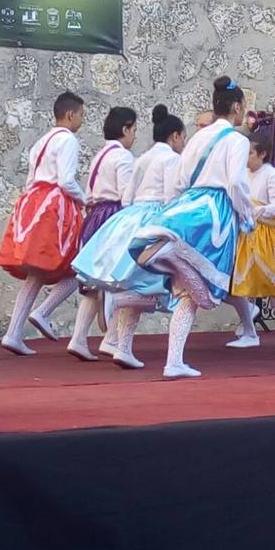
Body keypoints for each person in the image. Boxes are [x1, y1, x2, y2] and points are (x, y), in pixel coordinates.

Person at [132, 76, 253, 378]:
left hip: (190, 205)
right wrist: (247, 216)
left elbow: (179, 181)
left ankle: (174, 361)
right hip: (217, 212)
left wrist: (174, 211)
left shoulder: (198, 137)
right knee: (209, 292)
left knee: (188, 294)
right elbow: (236, 183)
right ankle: (170, 251)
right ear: (236, 107)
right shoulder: (237, 140)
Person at [73, 105, 186, 369]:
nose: (184, 142)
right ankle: (117, 318)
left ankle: (122, 345)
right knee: (152, 285)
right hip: (155, 218)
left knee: (138, 281)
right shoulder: (171, 159)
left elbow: (126, 198)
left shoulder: (143, 157)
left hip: (132, 217)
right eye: (183, 136)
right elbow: (171, 197)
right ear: (175, 136)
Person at [30, 107, 136, 361]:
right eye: (133, 130)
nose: (134, 135)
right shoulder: (123, 157)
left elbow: (90, 190)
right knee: (122, 280)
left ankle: (79, 338)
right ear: (125, 129)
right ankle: (112, 338)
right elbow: (127, 197)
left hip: (94, 217)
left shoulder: (101, 154)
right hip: (112, 217)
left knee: (92, 283)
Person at [0, 91, 86, 356]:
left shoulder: (41, 142)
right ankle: (43, 311)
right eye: (81, 115)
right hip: (54, 206)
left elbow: (31, 180)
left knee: (36, 271)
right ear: (70, 114)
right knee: (78, 265)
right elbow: (66, 180)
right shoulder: (68, 140)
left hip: (32, 202)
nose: (82, 120)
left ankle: (14, 332)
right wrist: (85, 200)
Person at [226, 131, 275, 354]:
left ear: (263, 154)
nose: (245, 157)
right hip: (246, 235)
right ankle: (250, 333)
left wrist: (253, 210)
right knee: (238, 288)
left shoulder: (273, 176)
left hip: (269, 238)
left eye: (250, 153)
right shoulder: (241, 175)